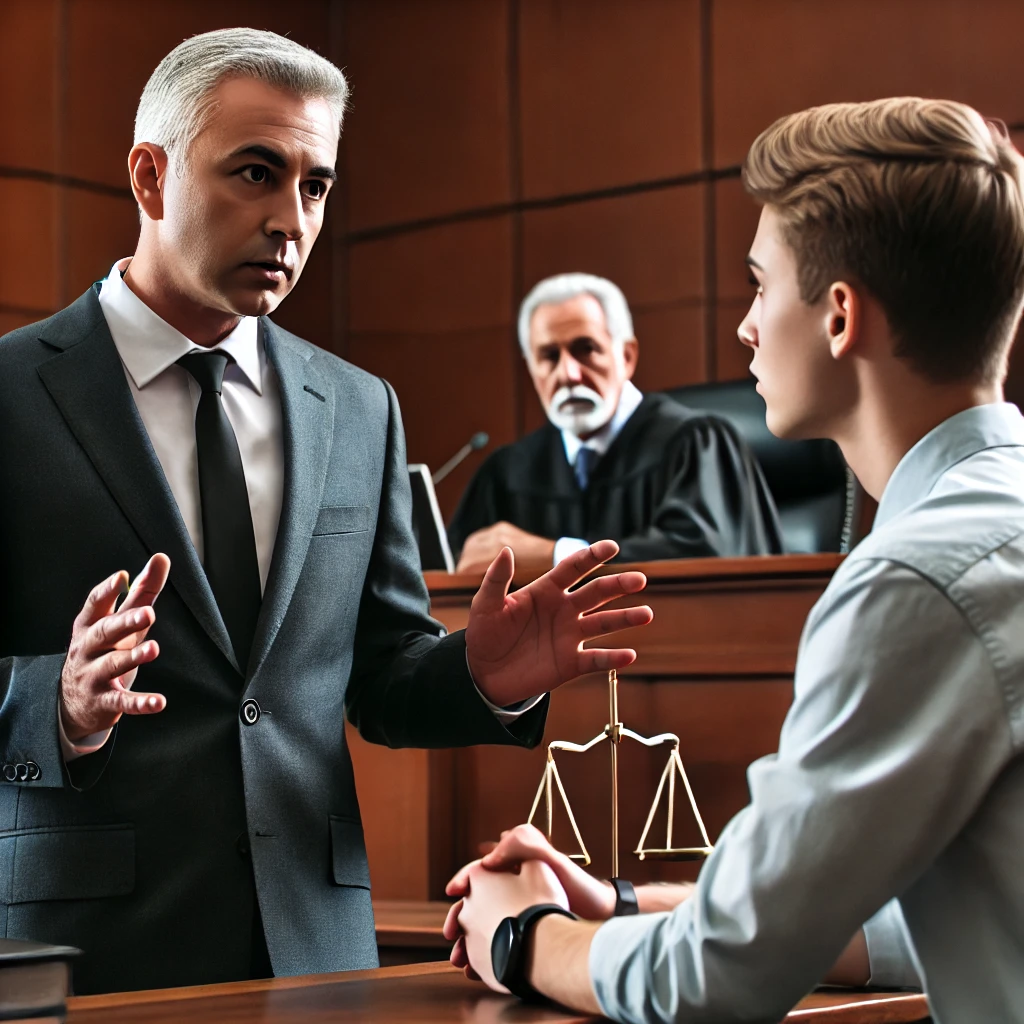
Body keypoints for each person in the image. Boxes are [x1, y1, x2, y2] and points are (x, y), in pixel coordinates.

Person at [0, 28, 655, 995]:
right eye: (257, 174)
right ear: (149, 175)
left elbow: (381, 677)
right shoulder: (13, 396)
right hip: (88, 956)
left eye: (315, 187)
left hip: (317, 950)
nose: (291, 222)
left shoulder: (359, 406)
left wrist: (483, 677)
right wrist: (53, 705)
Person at [445, 97, 1024, 1023]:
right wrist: (631, 904)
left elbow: (714, 979)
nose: (746, 328)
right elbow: (962, 913)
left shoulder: (914, 583)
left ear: (839, 317)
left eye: (759, 286)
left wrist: (525, 936)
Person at [447, 273, 783, 573]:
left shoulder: (696, 444)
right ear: (531, 370)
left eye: (586, 349)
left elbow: (708, 564)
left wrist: (555, 556)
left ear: (627, 356)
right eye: (549, 356)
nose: (568, 374)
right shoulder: (507, 472)